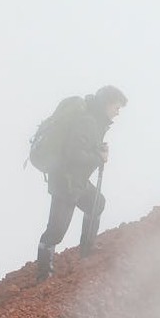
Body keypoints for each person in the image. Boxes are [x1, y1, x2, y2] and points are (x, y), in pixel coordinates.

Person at [35, 85, 127, 282]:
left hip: (77, 181)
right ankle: (43, 275)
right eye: (116, 107)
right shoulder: (88, 121)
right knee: (56, 231)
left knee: (97, 203)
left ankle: (87, 249)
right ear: (106, 103)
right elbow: (73, 154)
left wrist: (97, 151)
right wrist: (98, 157)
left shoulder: (97, 121)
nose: (117, 113)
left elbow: (83, 148)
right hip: (65, 182)